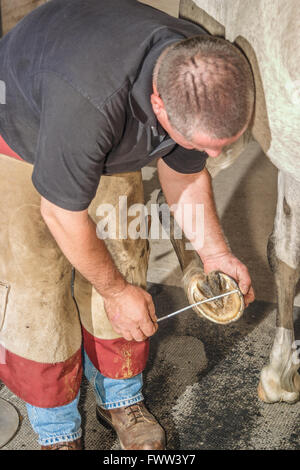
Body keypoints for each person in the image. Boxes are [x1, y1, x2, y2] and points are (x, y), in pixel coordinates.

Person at [0, 0, 255, 450]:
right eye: (203, 145)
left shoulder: (194, 70)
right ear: (158, 105)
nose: (215, 158)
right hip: (23, 127)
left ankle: (120, 398)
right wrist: (115, 293)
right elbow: (60, 214)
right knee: (38, 282)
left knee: (124, 254)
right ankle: (57, 428)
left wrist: (215, 253)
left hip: (100, 118)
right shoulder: (90, 104)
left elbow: (186, 171)